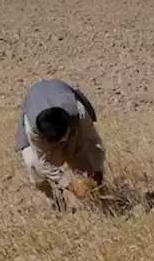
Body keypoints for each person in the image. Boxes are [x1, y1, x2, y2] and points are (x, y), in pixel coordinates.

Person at [16, 79, 106, 209]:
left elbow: (95, 144)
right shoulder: (33, 129)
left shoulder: (80, 114)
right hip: (37, 116)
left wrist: (98, 173)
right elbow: (43, 162)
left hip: (72, 129)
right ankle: (55, 200)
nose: (59, 145)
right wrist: (69, 184)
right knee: (33, 166)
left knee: (86, 167)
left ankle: (96, 202)